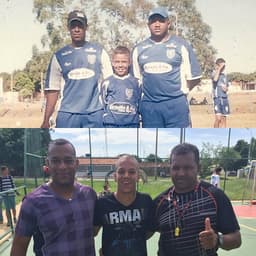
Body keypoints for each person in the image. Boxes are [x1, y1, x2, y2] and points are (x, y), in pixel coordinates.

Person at [10, 138, 97, 256]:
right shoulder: (32, 202)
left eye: (68, 160)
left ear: (76, 163)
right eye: (55, 161)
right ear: (47, 163)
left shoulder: (89, 195)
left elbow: (93, 231)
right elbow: (19, 245)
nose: (62, 166)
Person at [154, 143, 241, 256]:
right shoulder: (160, 202)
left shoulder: (216, 196)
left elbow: (236, 239)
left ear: (198, 168)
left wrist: (217, 240)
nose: (181, 173)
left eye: (187, 167)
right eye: (176, 168)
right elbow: (144, 233)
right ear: (169, 168)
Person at [41, 10, 113, 128]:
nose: (76, 29)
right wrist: (46, 120)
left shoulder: (99, 52)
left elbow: (111, 84)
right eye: (73, 26)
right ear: (68, 28)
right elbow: (53, 90)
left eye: (80, 25)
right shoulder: (59, 56)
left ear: (86, 27)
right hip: (67, 114)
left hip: (94, 113)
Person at [132, 7, 201, 128]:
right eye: (153, 21)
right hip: (150, 106)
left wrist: (180, 93)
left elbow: (195, 77)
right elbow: (135, 80)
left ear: (168, 23)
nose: (157, 25)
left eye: (161, 21)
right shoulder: (138, 49)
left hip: (176, 105)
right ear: (148, 24)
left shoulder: (182, 45)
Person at [94, 154, 155, 256]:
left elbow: (150, 230)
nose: (126, 175)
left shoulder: (146, 201)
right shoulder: (102, 203)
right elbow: (94, 231)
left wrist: (132, 238)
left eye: (131, 172)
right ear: (115, 177)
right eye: (121, 171)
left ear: (138, 177)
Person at [101, 46, 141, 127]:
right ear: (112, 63)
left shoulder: (137, 82)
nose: (120, 65)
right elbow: (103, 103)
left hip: (131, 124)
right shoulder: (107, 82)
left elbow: (139, 102)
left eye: (124, 62)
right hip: (111, 124)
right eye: (117, 62)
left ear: (129, 62)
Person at [212, 58, 230, 128]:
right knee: (218, 119)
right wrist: (219, 69)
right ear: (217, 65)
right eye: (222, 66)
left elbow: (227, 87)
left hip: (225, 99)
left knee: (224, 119)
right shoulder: (214, 73)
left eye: (224, 66)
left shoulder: (225, 76)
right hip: (217, 99)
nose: (223, 68)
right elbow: (215, 79)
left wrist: (226, 89)